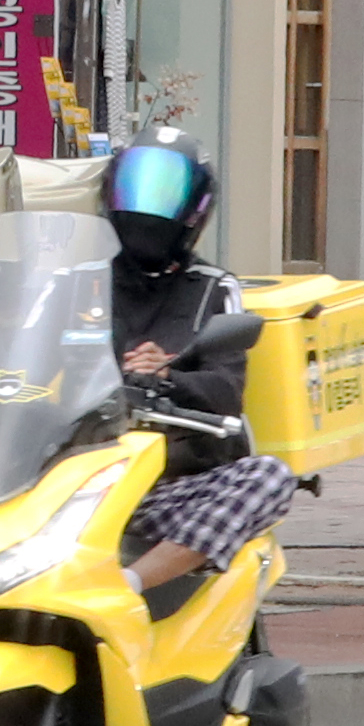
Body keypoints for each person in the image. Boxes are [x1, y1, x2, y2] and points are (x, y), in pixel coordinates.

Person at [103, 126, 296, 593]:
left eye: (164, 192)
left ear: (195, 210)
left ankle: (128, 584)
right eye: (134, 187)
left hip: (168, 479)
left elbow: (228, 390)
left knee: (268, 477)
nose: (145, 209)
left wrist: (167, 375)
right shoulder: (77, 278)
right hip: (75, 474)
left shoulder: (212, 287)